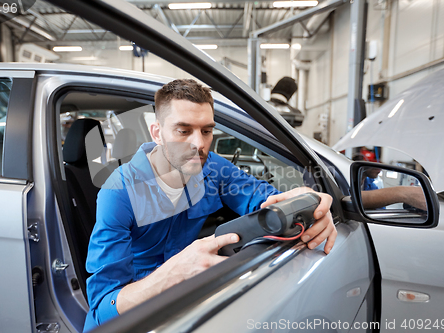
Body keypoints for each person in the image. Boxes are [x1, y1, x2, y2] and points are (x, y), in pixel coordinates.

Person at [83, 79, 337, 331]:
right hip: (139, 314)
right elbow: (103, 308)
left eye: (206, 130)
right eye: (183, 131)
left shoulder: (213, 168)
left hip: (192, 304)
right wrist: (173, 273)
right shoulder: (119, 192)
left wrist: (309, 204)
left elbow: (265, 199)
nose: (199, 144)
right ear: (157, 133)